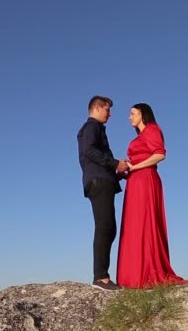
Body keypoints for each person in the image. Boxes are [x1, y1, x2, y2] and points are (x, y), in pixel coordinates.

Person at [116, 103, 188, 288]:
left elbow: (160, 155)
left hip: (146, 180)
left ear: (143, 114)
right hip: (135, 181)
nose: (129, 117)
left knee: (145, 222)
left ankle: (148, 272)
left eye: (132, 113)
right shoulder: (142, 135)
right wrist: (126, 169)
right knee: (135, 224)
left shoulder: (152, 129)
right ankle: (134, 274)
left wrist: (135, 167)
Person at [77, 95, 129, 291]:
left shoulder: (95, 128)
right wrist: (115, 163)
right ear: (97, 108)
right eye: (107, 109)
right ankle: (100, 277)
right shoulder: (91, 127)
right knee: (104, 226)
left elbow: (95, 156)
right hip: (98, 182)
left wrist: (116, 174)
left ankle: (102, 275)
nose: (110, 113)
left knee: (109, 227)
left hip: (103, 180)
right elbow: (89, 151)